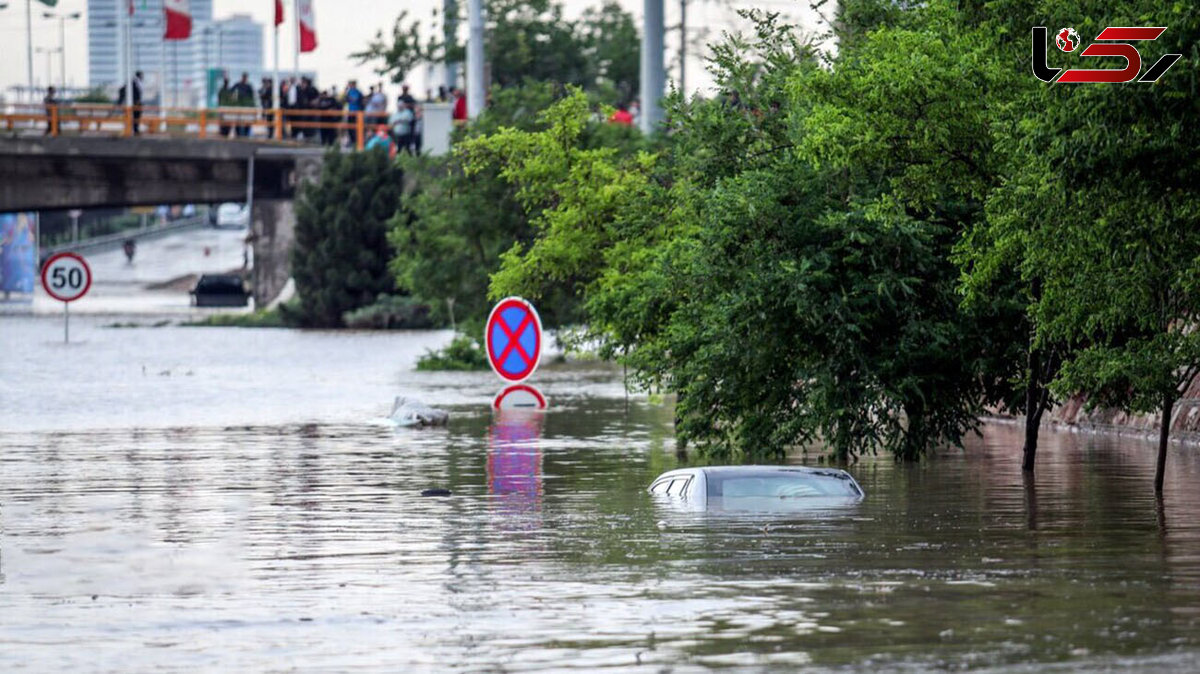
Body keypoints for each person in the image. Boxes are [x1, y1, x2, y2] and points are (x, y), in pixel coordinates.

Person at [231, 73, 255, 137]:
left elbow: (252, 97)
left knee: (247, 121)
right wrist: (234, 101)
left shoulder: (248, 86)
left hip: (246, 107)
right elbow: (231, 93)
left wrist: (252, 106)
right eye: (244, 77)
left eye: (245, 77)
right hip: (238, 106)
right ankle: (238, 134)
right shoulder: (237, 85)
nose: (244, 78)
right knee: (238, 120)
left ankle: (246, 134)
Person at [344, 79, 364, 145]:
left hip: (356, 112)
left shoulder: (357, 92)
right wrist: (346, 93)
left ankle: (357, 141)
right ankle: (352, 141)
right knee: (350, 127)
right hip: (350, 112)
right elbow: (345, 100)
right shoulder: (349, 91)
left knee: (356, 128)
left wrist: (347, 96)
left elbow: (354, 99)